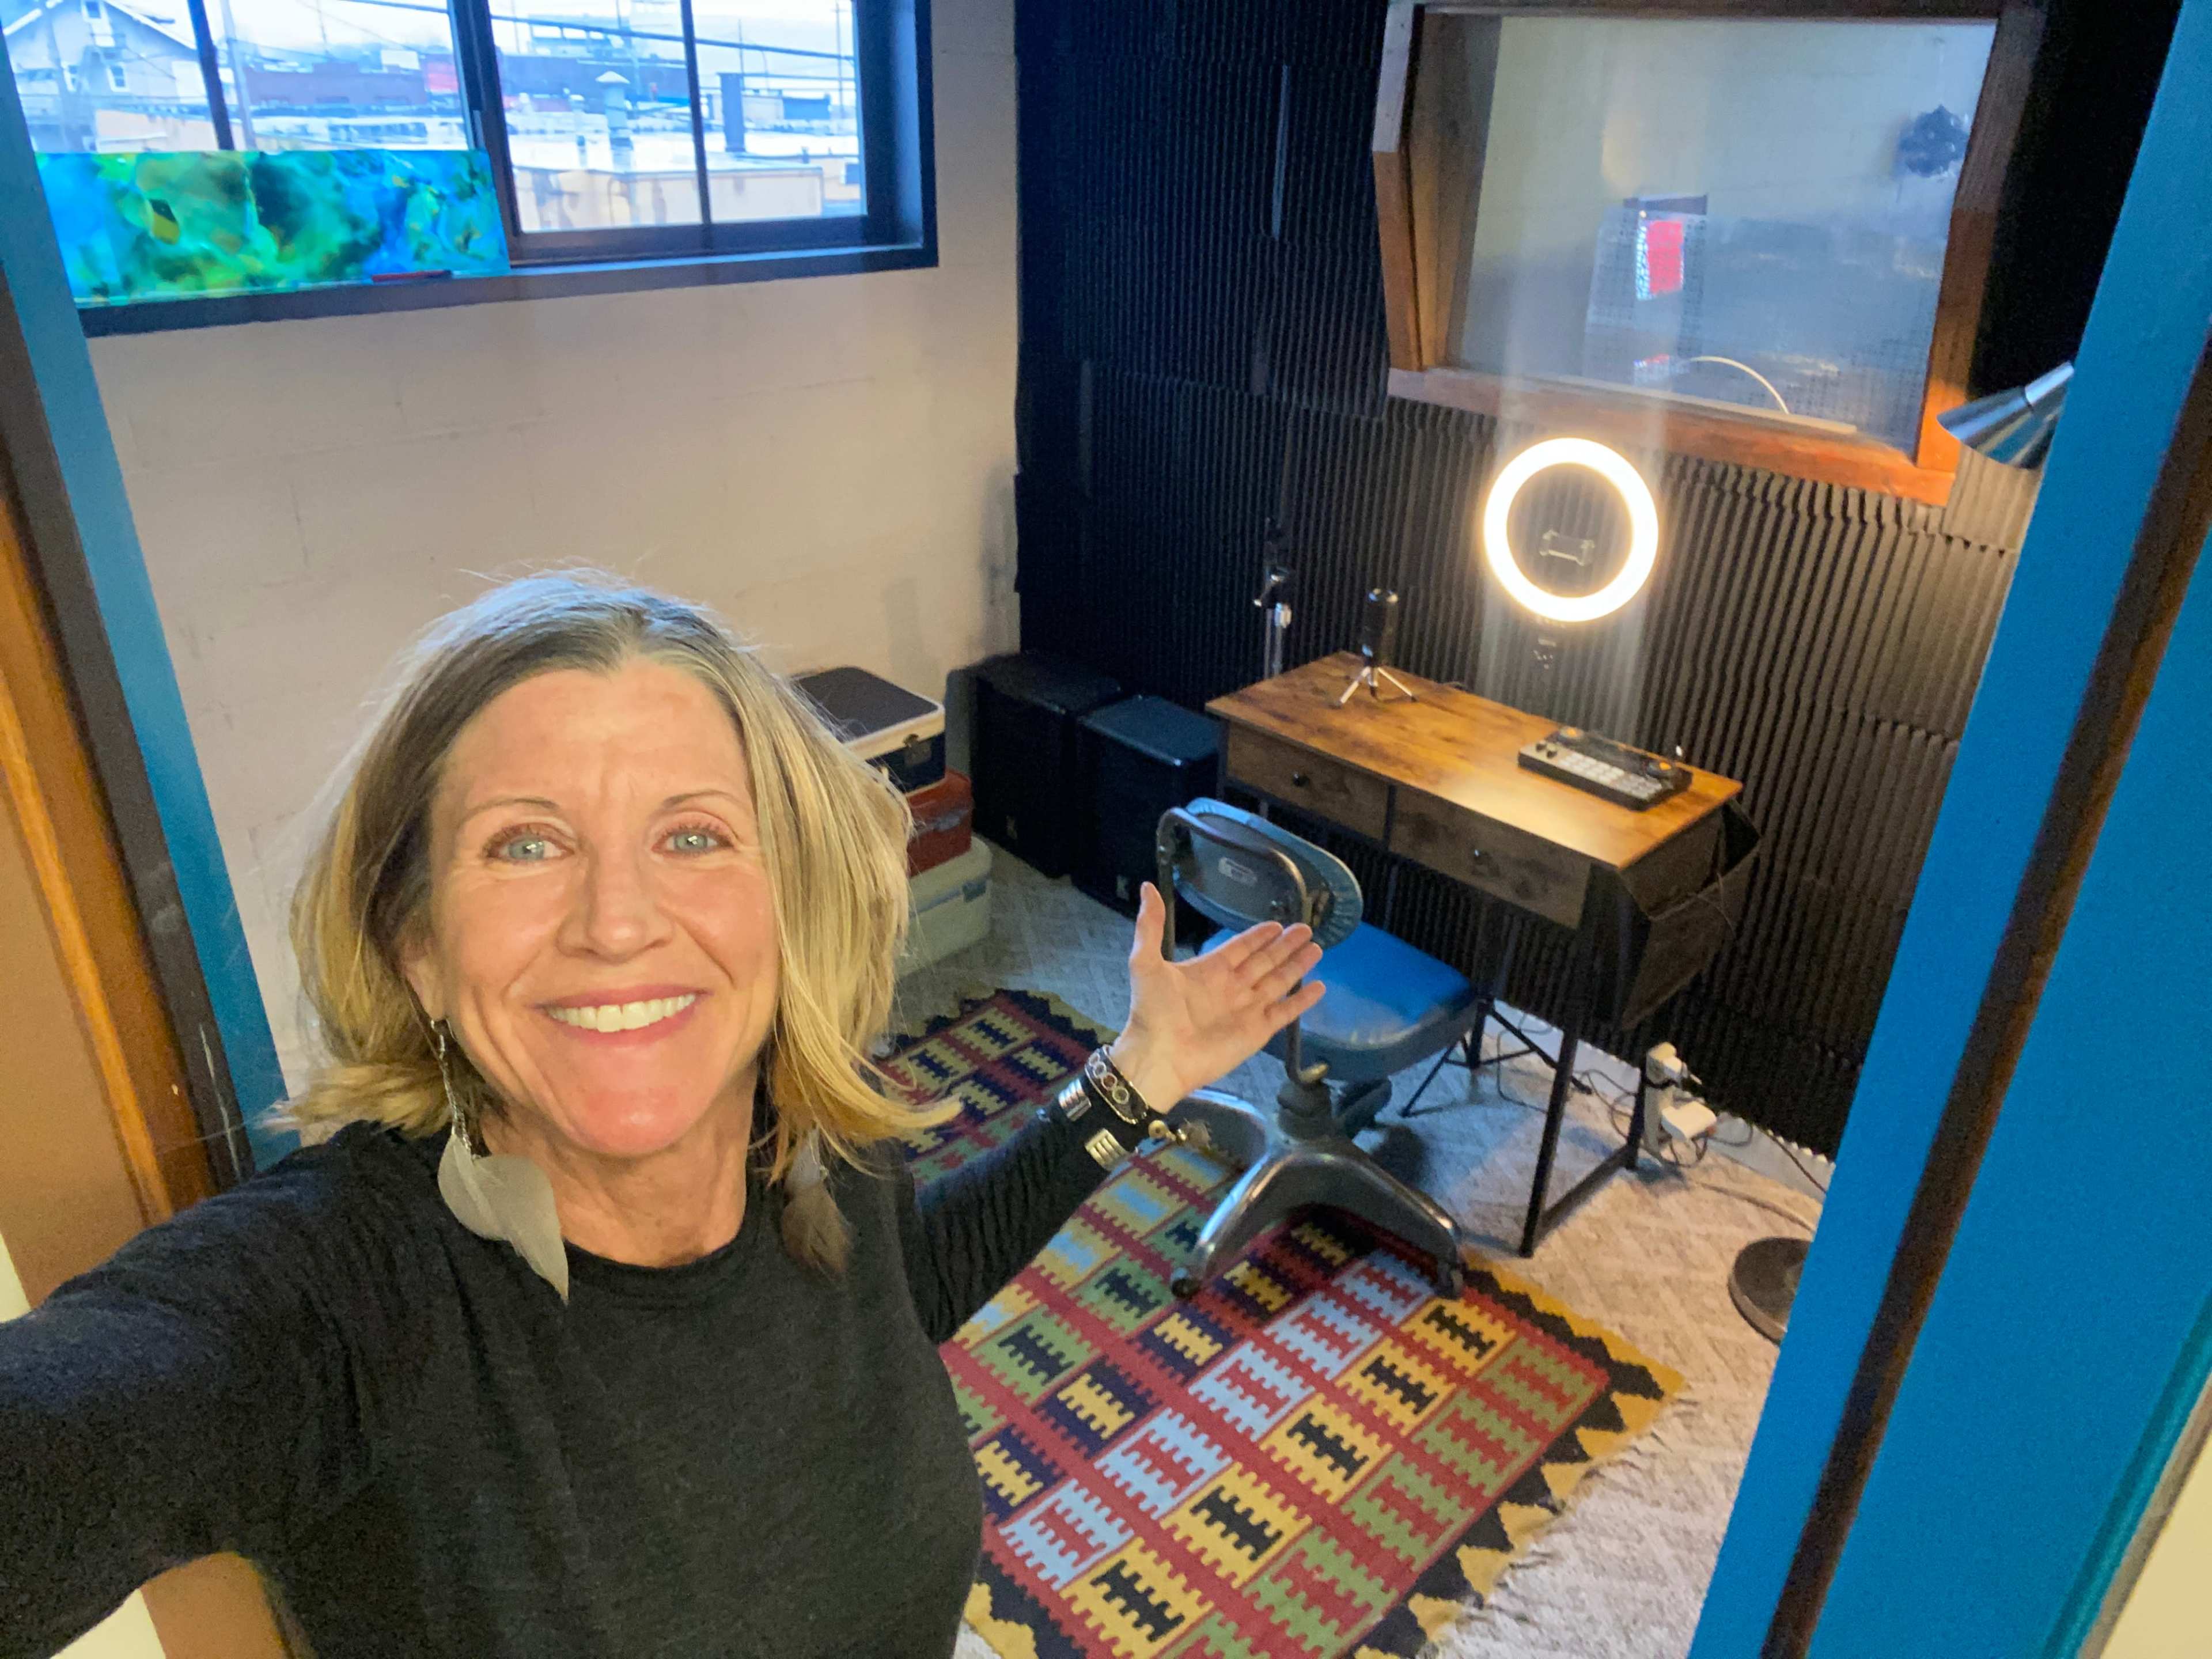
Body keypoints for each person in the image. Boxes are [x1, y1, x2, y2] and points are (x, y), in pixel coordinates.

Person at [0, 575, 1325, 1659]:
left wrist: (1137, 1075)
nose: (618, 922)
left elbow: (898, 1289)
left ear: (783, 903)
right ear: (413, 943)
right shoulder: (337, 1300)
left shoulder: (810, 1141)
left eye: (693, 836)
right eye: (525, 843)